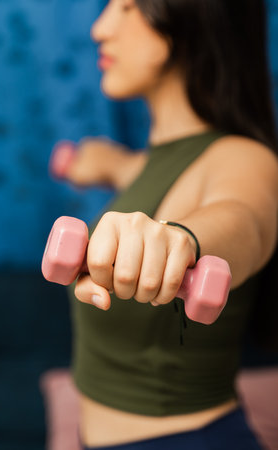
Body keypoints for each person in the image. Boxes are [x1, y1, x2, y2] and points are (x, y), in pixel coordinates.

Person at [60, 0, 278, 449]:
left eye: (127, 7)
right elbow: (128, 168)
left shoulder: (247, 160)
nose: (100, 29)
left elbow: (244, 219)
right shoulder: (150, 164)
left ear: (190, 14)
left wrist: (179, 242)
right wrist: (94, 162)